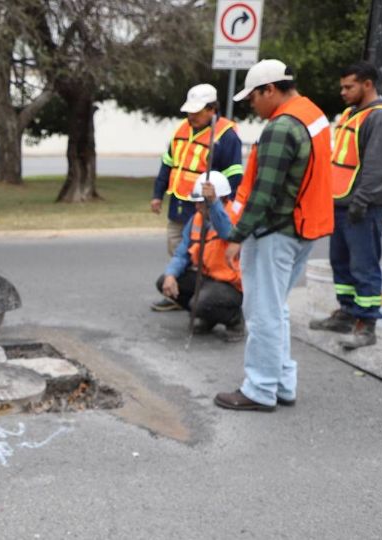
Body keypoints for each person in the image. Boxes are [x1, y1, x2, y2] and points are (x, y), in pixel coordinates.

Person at [215, 59, 334, 412]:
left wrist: (236, 236)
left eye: (253, 97)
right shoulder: (313, 114)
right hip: (302, 227)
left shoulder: (281, 127)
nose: (252, 105)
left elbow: (264, 193)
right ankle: (282, 383)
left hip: (275, 232)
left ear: (270, 89)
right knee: (276, 309)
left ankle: (260, 389)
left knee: (263, 312)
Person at [309, 61, 382, 349]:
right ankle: (347, 313)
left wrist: (360, 202)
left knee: (364, 266)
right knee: (341, 262)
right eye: (342, 86)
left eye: (348, 86)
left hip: (365, 205)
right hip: (342, 202)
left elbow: (377, 167)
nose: (343, 92)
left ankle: (366, 324)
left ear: (367, 84)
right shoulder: (353, 114)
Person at [150, 83, 244, 311]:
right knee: (179, 247)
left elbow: (234, 175)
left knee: (208, 250)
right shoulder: (182, 129)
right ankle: (181, 291)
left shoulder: (226, 136)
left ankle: (209, 295)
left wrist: (218, 206)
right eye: (189, 111)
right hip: (181, 201)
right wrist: (157, 194)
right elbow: (168, 163)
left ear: (212, 109)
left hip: (207, 206)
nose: (191, 116)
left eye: (197, 111)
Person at [155, 172, 245, 341]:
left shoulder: (235, 215)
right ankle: (208, 317)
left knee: (199, 302)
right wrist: (170, 275)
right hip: (207, 278)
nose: (197, 207)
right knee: (164, 282)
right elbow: (182, 253)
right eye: (196, 202)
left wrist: (213, 204)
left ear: (220, 199)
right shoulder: (197, 219)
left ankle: (235, 319)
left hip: (231, 285)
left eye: (201, 202)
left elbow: (227, 232)